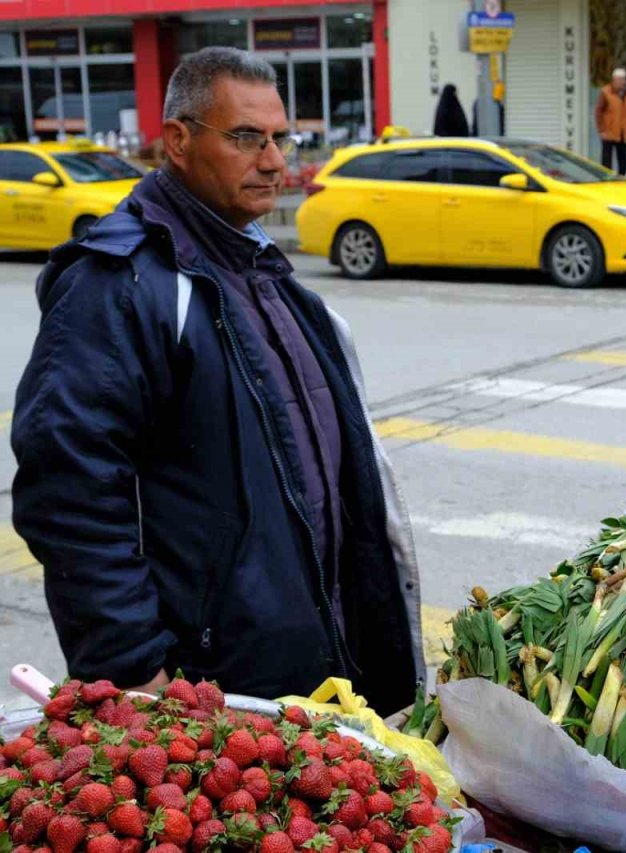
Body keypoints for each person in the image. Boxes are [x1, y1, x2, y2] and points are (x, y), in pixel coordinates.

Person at [9, 47, 423, 714]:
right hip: (204, 691)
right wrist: (131, 668)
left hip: (304, 672)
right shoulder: (121, 284)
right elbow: (68, 488)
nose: (274, 160)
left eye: (280, 139)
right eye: (245, 138)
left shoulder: (264, 273)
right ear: (177, 141)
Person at [594, 68, 626, 175]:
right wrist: (601, 130)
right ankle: (606, 181)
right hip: (608, 131)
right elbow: (598, 111)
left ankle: (622, 179)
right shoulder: (605, 92)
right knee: (607, 162)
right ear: (614, 80)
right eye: (621, 80)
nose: (624, 82)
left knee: (623, 161)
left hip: (623, 131)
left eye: (624, 79)